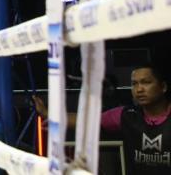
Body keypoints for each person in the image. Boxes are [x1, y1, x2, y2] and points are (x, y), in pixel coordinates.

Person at [34, 64, 170, 174]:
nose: (139, 89)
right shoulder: (126, 115)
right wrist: (48, 113)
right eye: (134, 83)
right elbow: (86, 121)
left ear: (163, 87)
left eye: (146, 82)